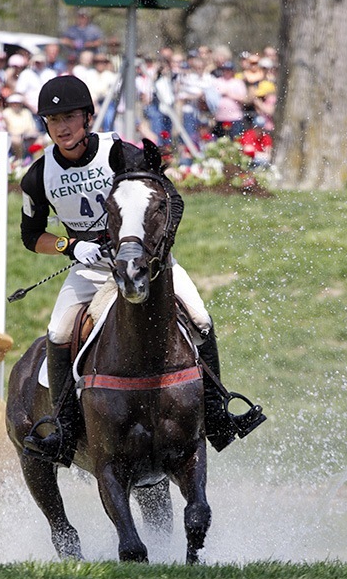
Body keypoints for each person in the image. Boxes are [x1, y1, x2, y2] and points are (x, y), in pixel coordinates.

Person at [20, 75, 241, 462]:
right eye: (53, 120)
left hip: (145, 263)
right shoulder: (38, 176)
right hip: (91, 269)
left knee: (200, 318)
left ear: (88, 118)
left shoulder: (121, 154)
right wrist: (71, 246)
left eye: (70, 117)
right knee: (58, 332)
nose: (62, 127)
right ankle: (65, 430)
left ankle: (217, 414)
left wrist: (152, 250)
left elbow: (168, 199)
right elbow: (31, 235)